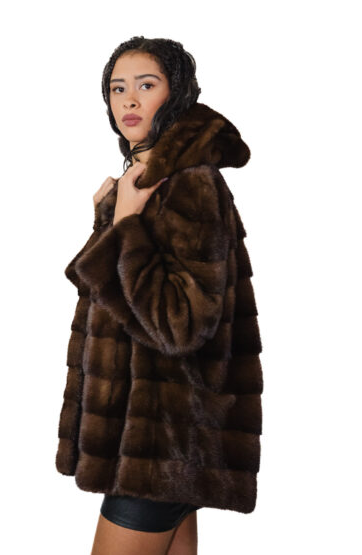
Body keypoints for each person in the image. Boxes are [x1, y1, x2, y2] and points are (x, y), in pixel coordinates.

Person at [56, 36, 263, 555]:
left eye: (146, 85)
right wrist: (111, 221)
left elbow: (181, 324)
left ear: (177, 94)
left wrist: (124, 225)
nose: (128, 99)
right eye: (117, 88)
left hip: (160, 442)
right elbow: (105, 294)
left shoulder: (188, 184)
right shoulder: (147, 181)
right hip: (162, 439)